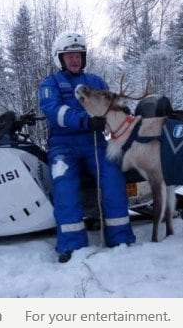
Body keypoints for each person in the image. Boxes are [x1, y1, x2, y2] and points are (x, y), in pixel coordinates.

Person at [38, 31, 136, 263]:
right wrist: (84, 120)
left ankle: (120, 237)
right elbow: (53, 112)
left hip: (95, 143)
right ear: (60, 58)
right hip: (63, 146)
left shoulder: (95, 81)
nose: (75, 60)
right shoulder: (50, 84)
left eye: (78, 55)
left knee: (113, 178)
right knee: (64, 187)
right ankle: (72, 245)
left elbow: (110, 102)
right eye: (69, 56)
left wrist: (122, 110)